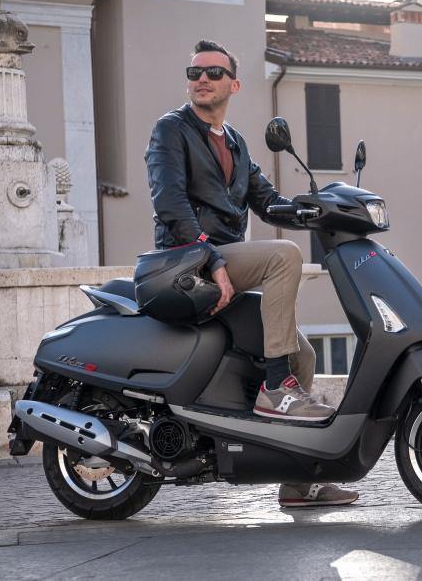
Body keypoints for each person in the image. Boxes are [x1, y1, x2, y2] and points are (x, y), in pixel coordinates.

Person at [144, 39, 358, 508]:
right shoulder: (171, 130)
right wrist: (212, 258)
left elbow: (268, 201)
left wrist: (322, 211)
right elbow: (170, 203)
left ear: (234, 85)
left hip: (222, 260)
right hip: (186, 261)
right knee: (283, 256)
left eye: (213, 73)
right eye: (195, 72)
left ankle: (298, 481)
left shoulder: (236, 144)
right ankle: (274, 387)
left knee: (303, 355)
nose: (202, 79)